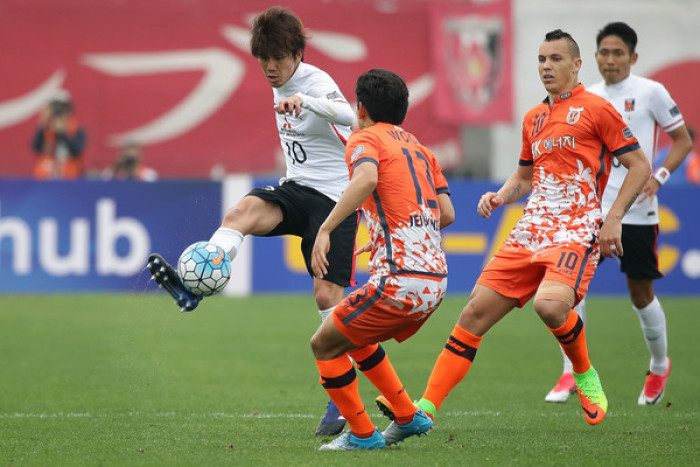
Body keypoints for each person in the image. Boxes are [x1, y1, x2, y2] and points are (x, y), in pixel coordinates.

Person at [376, 29, 650, 429]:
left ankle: (584, 374)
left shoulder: (597, 109)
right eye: (541, 59)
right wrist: (502, 196)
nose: (546, 66)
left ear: (577, 65)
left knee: (550, 305)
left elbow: (639, 165)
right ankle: (425, 410)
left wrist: (613, 218)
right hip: (531, 228)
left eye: (555, 59)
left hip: (576, 227)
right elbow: (525, 176)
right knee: (472, 315)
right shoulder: (534, 117)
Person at [146, 6, 357, 436]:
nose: (269, 67)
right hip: (298, 189)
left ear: (296, 53)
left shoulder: (316, 82)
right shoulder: (277, 80)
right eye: (263, 59)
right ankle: (194, 288)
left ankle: (341, 401)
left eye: (277, 58)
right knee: (239, 213)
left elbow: (352, 117)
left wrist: (309, 101)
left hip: (336, 199)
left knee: (325, 296)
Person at [544, 22, 693, 406]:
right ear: (593, 58)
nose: (610, 60)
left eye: (618, 53)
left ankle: (659, 366)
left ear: (633, 57)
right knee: (570, 292)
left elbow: (683, 140)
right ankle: (571, 373)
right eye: (604, 53)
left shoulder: (651, 92)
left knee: (641, 294)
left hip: (637, 210)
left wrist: (658, 177)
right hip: (590, 211)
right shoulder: (587, 97)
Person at [310, 68, 454, 451]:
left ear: (360, 108)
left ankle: (361, 435)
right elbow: (446, 213)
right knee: (355, 335)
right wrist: (393, 236)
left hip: (399, 281)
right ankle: (408, 415)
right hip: (436, 282)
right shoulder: (423, 151)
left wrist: (325, 229)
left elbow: (367, 180)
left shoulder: (363, 139)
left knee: (323, 345)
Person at [32, 90, 86, 179]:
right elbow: (36, 147)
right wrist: (43, 124)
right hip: (45, 178)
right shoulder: (46, 129)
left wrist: (62, 132)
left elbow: (76, 151)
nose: (59, 112)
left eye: (62, 108)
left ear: (70, 110)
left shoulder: (77, 130)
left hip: (70, 180)